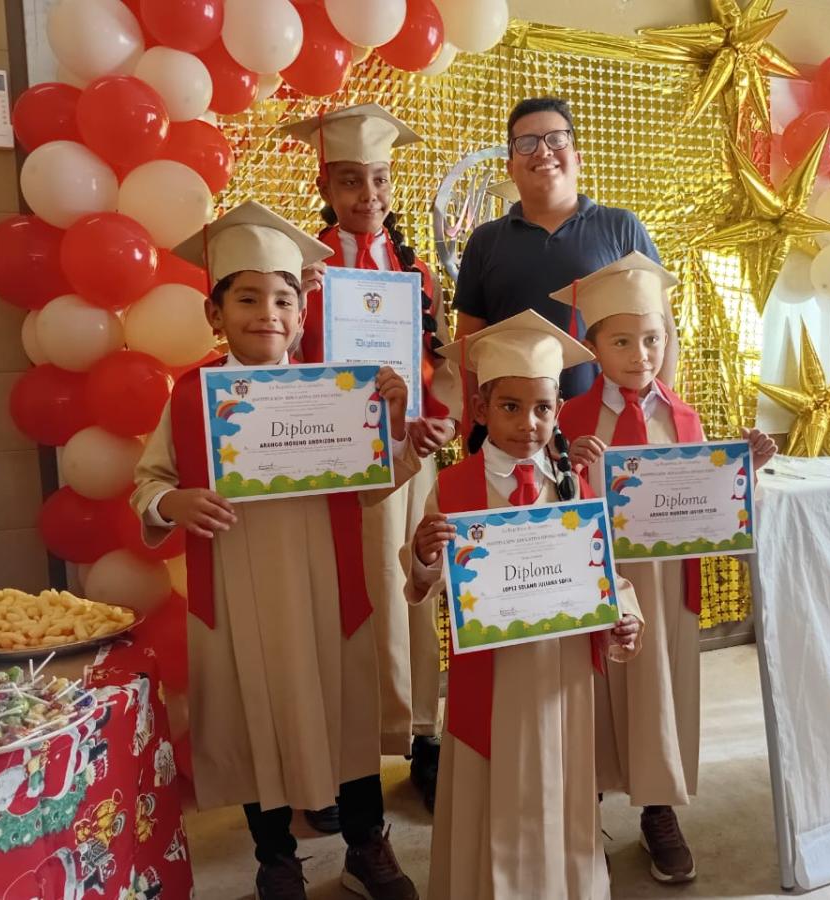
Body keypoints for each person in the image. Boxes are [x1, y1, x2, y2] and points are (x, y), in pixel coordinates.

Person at [131, 201, 421, 900]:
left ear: (301, 312)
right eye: (248, 297)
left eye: (283, 298)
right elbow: (151, 481)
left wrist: (396, 425)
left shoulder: (338, 390)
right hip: (240, 589)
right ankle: (276, 857)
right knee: (255, 718)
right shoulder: (192, 394)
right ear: (215, 314)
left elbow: (370, 491)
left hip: (329, 583)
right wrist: (175, 503)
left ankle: (365, 845)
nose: (268, 311)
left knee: (345, 714)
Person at [551, 252, 777, 884]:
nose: (641, 354)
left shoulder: (684, 419)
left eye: (653, 339)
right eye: (622, 341)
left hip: (669, 583)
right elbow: (543, 505)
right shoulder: (568, 420)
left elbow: (707, 505)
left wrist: (742, 470)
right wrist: (568, 467)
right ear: (594, 346)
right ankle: (582, 809)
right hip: (597, 580)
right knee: (592, 692)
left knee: (662, 692)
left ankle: (657, 810)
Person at [404, 309, 644, 899]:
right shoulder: (455, 485)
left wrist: (625, 613)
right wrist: (426, 555)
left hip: (560, 672)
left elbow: (603, 567)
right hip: (492, 675)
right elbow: (423, 581)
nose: (529, 424)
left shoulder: (572, 482)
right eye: (510, 407)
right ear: (481, 410)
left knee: (560, 786)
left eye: (543, 408)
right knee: (495, 786)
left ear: (558, 410)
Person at [283, 103, 460, 814]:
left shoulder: (416, 272)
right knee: (345, 605)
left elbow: (441, 364)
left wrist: (439, 423)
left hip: (412, 458)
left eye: (380, 179)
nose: (369, 196)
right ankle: (337, 754)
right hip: (338, 466)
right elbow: (285, 367)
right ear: (326, 184)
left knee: (414, 591)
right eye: (352, 180)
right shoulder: (304, 268)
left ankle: (422, 737)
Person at [452, 96, 678, 405]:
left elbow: (663, 327)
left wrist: (658, 413)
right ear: (510, 166)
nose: (543, 151)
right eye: (527, 143)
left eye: (556, 139)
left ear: (577, 156)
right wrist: (469, 424)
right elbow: (467, 349)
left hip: (606, 427)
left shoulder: (621, 226)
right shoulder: (485, 240)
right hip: (514, 432)